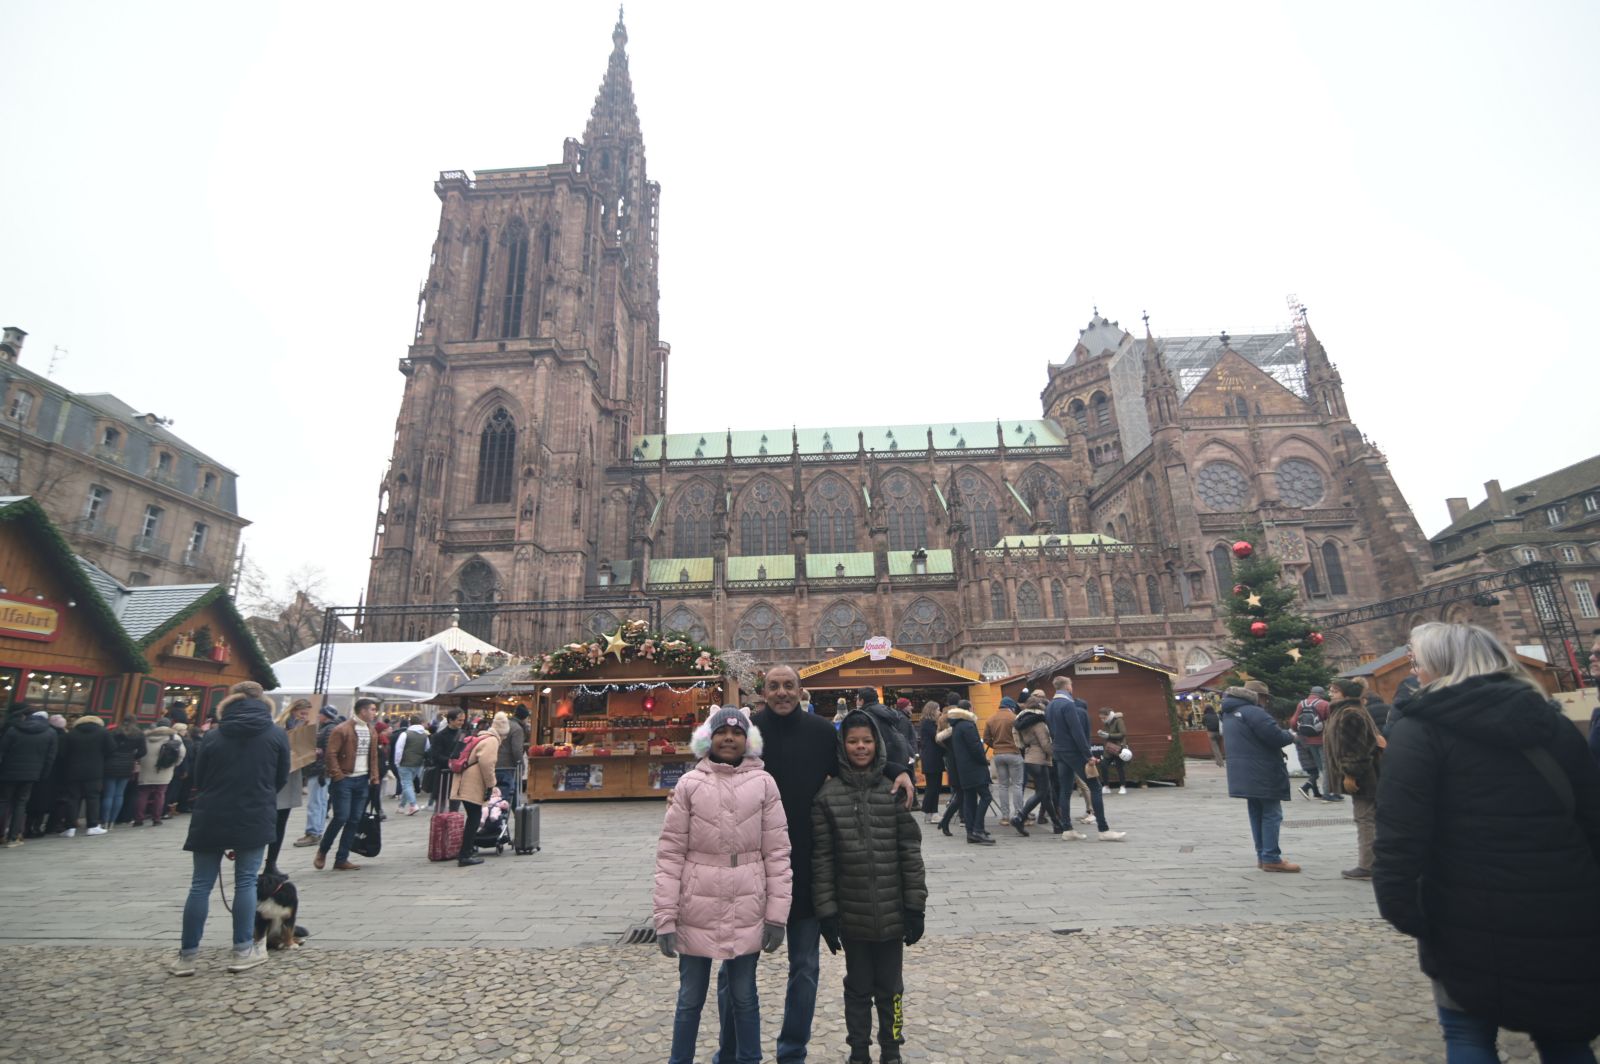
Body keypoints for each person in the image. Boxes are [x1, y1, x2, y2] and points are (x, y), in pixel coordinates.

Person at [1375, 622, 1600, 1061]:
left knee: (1467, 1034)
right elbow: (1592, 818)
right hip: (1563, 903)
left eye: (1418, 662)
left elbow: (1400, 833)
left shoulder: (1419, 729)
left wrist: (1402, 907)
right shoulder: (1550, 721)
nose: (1415, 671)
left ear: (1440, 666)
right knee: (1565, 1035)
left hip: (1463, 908)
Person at [713, 666, 912, 1064]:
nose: (782, 693)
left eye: (789, 686)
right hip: (751, 867)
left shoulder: (822, 732)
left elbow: (856, 760)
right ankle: (732, 1051)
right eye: (775, 686)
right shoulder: (747, 732)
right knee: (733, 971)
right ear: (763, 691)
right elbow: (712, 770)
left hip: (805, 867)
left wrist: (899, 771)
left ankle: (792, 1052)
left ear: (800, 691)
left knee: (804, 969)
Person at [654, 705, 792, 1064]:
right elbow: (670, 855)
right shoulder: (689, 784)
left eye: (736, 732)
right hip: (695, 906)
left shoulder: (764, 783)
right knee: (689, 998)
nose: (728, 738)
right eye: (721, 731)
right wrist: (665, 916)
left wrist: (777, 915)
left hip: (747, 903)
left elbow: (777, 852)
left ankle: (749, 1059)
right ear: (708, 738)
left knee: (744, 995)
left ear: (748, 740)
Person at [812, 710, 927, 1064]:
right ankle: (858, 1050)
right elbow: (823, 859)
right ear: (842, 746)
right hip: (852, 914)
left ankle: (892, 1049)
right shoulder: (827, 797)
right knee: (858, 989)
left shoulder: (892, 790)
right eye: (852, 741)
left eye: (866, 741)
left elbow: (910, 852)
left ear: (877, 744)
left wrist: (915, 906)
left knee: (891, 990)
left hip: (892, 912)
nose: (860, 747)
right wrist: (827, 912)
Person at [175, 681, 289, 976]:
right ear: (264, 703)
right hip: (254, 813)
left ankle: (187, 957)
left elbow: (199, 778)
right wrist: (261, 793)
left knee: (200, 885)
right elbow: (280, 778)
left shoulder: (213, 736)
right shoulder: (276, 734)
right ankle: (242, 951)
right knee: (246, 882)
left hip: (211, 813)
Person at [1220, 682, 1299, 872]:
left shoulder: (1228, 712)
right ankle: (1271, 857)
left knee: (1256, 812)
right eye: (1265, 698)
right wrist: (1290, 735)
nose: (1265, 702)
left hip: (1242, 771)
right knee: (1272, 813)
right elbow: (1275, 737)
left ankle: (1263, 856)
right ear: (1259, 696)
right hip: (1262, 769)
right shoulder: (1253, 712)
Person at [1046, 676, 1125, 842]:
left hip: (1059, 751)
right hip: (1073, 751)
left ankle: (1067, 829)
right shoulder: (1068, 704)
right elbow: (1077, 732)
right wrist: (1088, 755)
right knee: (1095, 787)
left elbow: (1051, 731)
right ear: (1067, 687)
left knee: (1065, 790)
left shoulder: (1050, 705)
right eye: (1071, 685)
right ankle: (1103, 829)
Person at [1321, 678, 1382, 881]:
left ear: (1346, 695)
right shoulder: (1344, 711)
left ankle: (1368, 866)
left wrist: (1350, 774)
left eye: (1335, 690)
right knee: (1367, 818)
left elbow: (1356, 750)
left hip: (1364, 776)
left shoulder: (1350, 714)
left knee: (1365, 819)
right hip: (1363, 773)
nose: (1331, 692)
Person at [314, 698, 382, 871]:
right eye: (372, 709)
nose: (375, 713)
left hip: (363, 780)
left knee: (354, 819)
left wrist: (374, 777)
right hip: (345, 779)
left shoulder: (371, 730)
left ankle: (341, 858)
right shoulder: (342, 729)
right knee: (341, 817)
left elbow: (373, 756)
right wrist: (338, 776)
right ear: (362, 711)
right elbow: (331, 754)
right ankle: (323, 850)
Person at [450, 712, 505, 867]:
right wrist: (491, 784)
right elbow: (487, 764)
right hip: (471, 783)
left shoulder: (480, 736)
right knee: (474, 817)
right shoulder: (492, 740)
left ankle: (466, 850)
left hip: (463, 780)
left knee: (473, 816)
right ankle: (465, 854)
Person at [264, 699, 310, 874]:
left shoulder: (304, 728)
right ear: (294, 711)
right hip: (276, 776)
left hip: (292, 774)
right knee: (270, 819)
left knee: (282, 820)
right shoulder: (279, 726)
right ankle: (262, 860)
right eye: (302, 713)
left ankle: (271, 862)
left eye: (306, 714)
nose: (303, 717)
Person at [0, 707, 56, 846]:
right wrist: (43, 775)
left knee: (3, 802)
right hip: (31, 774)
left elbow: (2, 750)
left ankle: (1, 835)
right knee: (21, 804)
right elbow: (50, 757)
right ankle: (13, 837)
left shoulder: (14, 729)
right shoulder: (50, 733)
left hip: (8, 771)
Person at [1011, 697, 1062, 836]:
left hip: (1029, 758)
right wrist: (1056, 755)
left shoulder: (1022, 722)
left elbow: (1020, 741)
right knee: (1042, 793)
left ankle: (1057, 824)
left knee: (1046, 793)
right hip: (1040, 759)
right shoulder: (1039, 723)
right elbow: (1045, 744)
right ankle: (1020, 817)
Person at [943, 701, 993, 844]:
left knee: (970, 799)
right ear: (970, 710)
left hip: (963, 769)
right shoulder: (968, 725)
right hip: (974, 768)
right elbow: (975, 748)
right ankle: (977, 829)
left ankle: (971, 832)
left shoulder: (956, 726)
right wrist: (984, 760)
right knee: (986, 797)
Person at [292, 704, 340, 848]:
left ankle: (313, 833)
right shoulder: (327, 728)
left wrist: (322, 769)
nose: (318, 716)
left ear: (325, 715)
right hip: (320, 771)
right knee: (319, 802)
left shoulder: (328, 729)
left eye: (320, 714)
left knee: (316, 803)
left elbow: (328, 753)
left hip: (319, 771)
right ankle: (316, 831)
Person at [60, 712, 115, 837]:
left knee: (73, 798)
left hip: (73, 770)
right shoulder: (103, 733)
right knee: (93, 798)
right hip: (95, 770)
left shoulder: (72, 734)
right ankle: (92, 825)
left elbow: (63, 752)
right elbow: (111, 749)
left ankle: (70, 827)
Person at [132, 716, 185, 827]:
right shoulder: (174, 737)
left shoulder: (146, 736)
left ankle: (138, 819)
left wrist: (141, 763)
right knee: (160, 794)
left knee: (143, 793)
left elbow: (138, 751)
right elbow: (181, 753)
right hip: (164, 767)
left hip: (146, 767)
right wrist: (174, 764)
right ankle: (156, 818)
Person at [102, 715, 147, 830]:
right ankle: (112, 821)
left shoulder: (113, 732)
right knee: (119, 794)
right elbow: (143, 751)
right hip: (127, 764)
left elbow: (107, 747)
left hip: (111, 763)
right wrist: (133, 757)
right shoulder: (138, 734)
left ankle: (104, 821)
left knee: (108, 794)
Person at [853, 687, 914, 770]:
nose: (856, 701)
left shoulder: (866, 717)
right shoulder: (887, 713)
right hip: (897, 759)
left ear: (862, 701)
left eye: (857, 699)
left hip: (881, 763)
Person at [984, 697, 1024, 823]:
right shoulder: (1015, 718)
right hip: (1014, 753)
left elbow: (986, 738)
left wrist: (996, 745)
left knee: (1003, 786)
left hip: (999, 755)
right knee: (1017, 785)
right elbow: (1022, 735)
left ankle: (1005, 816)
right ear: (1011, 707)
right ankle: (1018, 814)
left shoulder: (991, 719)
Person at [1295, 685, 1338, 801]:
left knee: (1320, 767)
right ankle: (1328, 794)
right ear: (1322, 693)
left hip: (1308, 741)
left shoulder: (1301, 704)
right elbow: (1332, 722)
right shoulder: (1324, 704)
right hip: (1323, 740)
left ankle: (1332, 792)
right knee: (1327, 767)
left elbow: (1293, 722)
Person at [429, 707, 466, 811]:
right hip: (443, 774)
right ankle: (439, 827)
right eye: (459, 720)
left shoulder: (463, 734)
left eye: (463, 720)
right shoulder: (438, 736)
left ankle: (453, 826)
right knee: (440, 807)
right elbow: (435, 756)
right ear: (450, 720)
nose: (462, 723)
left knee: (455, 808)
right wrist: (450, 762)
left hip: (458, 775)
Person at [393, 717, 429, 815]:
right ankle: (401, 806)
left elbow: (399, 750)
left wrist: (397, 762)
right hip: (418, 763)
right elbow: (427, 749)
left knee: (406, 784)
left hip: (405, 762)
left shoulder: (405, 734)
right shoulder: (425, 736)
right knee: (408, 784)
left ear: (410, 723)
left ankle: (413, 805)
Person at [916, 700, 945, 824]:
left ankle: (930, 813)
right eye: (938, 709)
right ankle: (932, 813)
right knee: (933, 787)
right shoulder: (928, 723)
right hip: (932, 758)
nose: (939, 712)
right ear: (932, 710)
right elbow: (937, 738)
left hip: (931, 758)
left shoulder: (927, 723)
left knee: (934, 786)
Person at [495, 702, 525, 807]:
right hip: (508, 766)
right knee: (508, 795)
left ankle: (504, 818)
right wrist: (521, 765)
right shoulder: (517, 729)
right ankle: (512, 818)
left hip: (494, 764)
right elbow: (517, 750)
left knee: (497, 795)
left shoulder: (502, 725)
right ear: (524, 718)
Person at [1097, 707, 1129, 794]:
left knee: (1119, 767)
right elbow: (1108, 734)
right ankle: (1106, 786)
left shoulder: (1118, 720)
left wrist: (1108, 735)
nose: (1102, 720)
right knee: (1103, 765)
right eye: (1101, 718)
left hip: (1118, 747)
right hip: (1109, 747)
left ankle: (1123, 786)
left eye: (1103, 718)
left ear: (1108, 715)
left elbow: (1123, 734)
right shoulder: (1107, 723)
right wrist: (1102, 733)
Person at [1201, 700, 1225, 766]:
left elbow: (1203, 724)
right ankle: (1222, 759)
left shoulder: (1205, 716)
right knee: (1220, 746)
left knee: (1215, 748)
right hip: (1219, 732)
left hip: (1211, 733)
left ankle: (1220, 763)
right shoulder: (1217, 714)